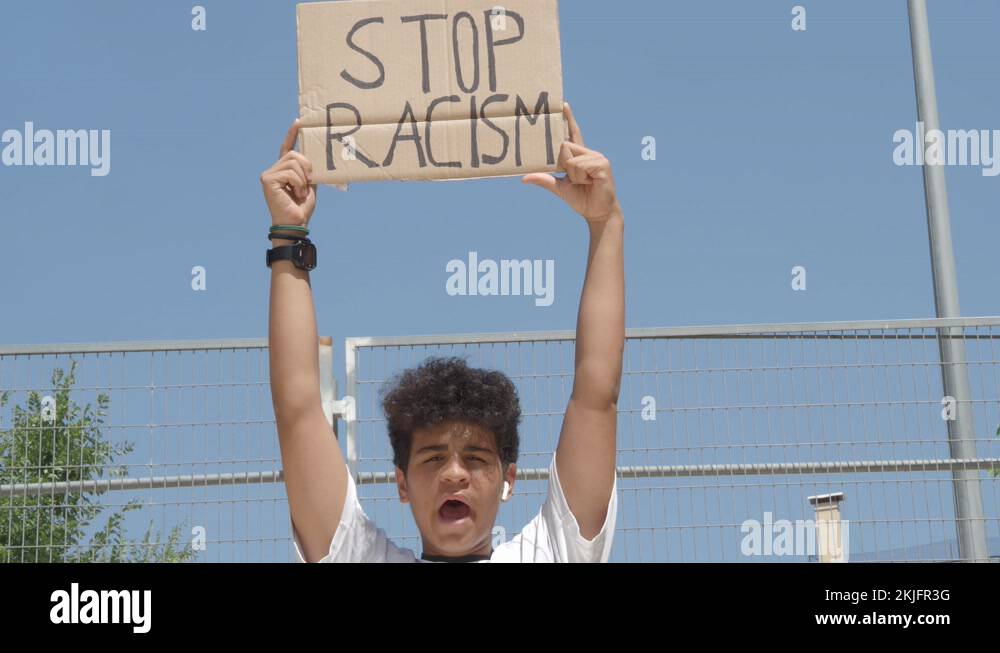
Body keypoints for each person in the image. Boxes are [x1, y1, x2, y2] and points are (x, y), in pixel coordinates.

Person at [261, 102, 625, 562]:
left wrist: (605, 224)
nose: (454, 474)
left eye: (475, 458)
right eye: (433, 458)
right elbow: (298, 411)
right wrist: (287, 235)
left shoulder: (553, 553)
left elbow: (597, 395)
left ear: (508, 478)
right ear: (401, 483)